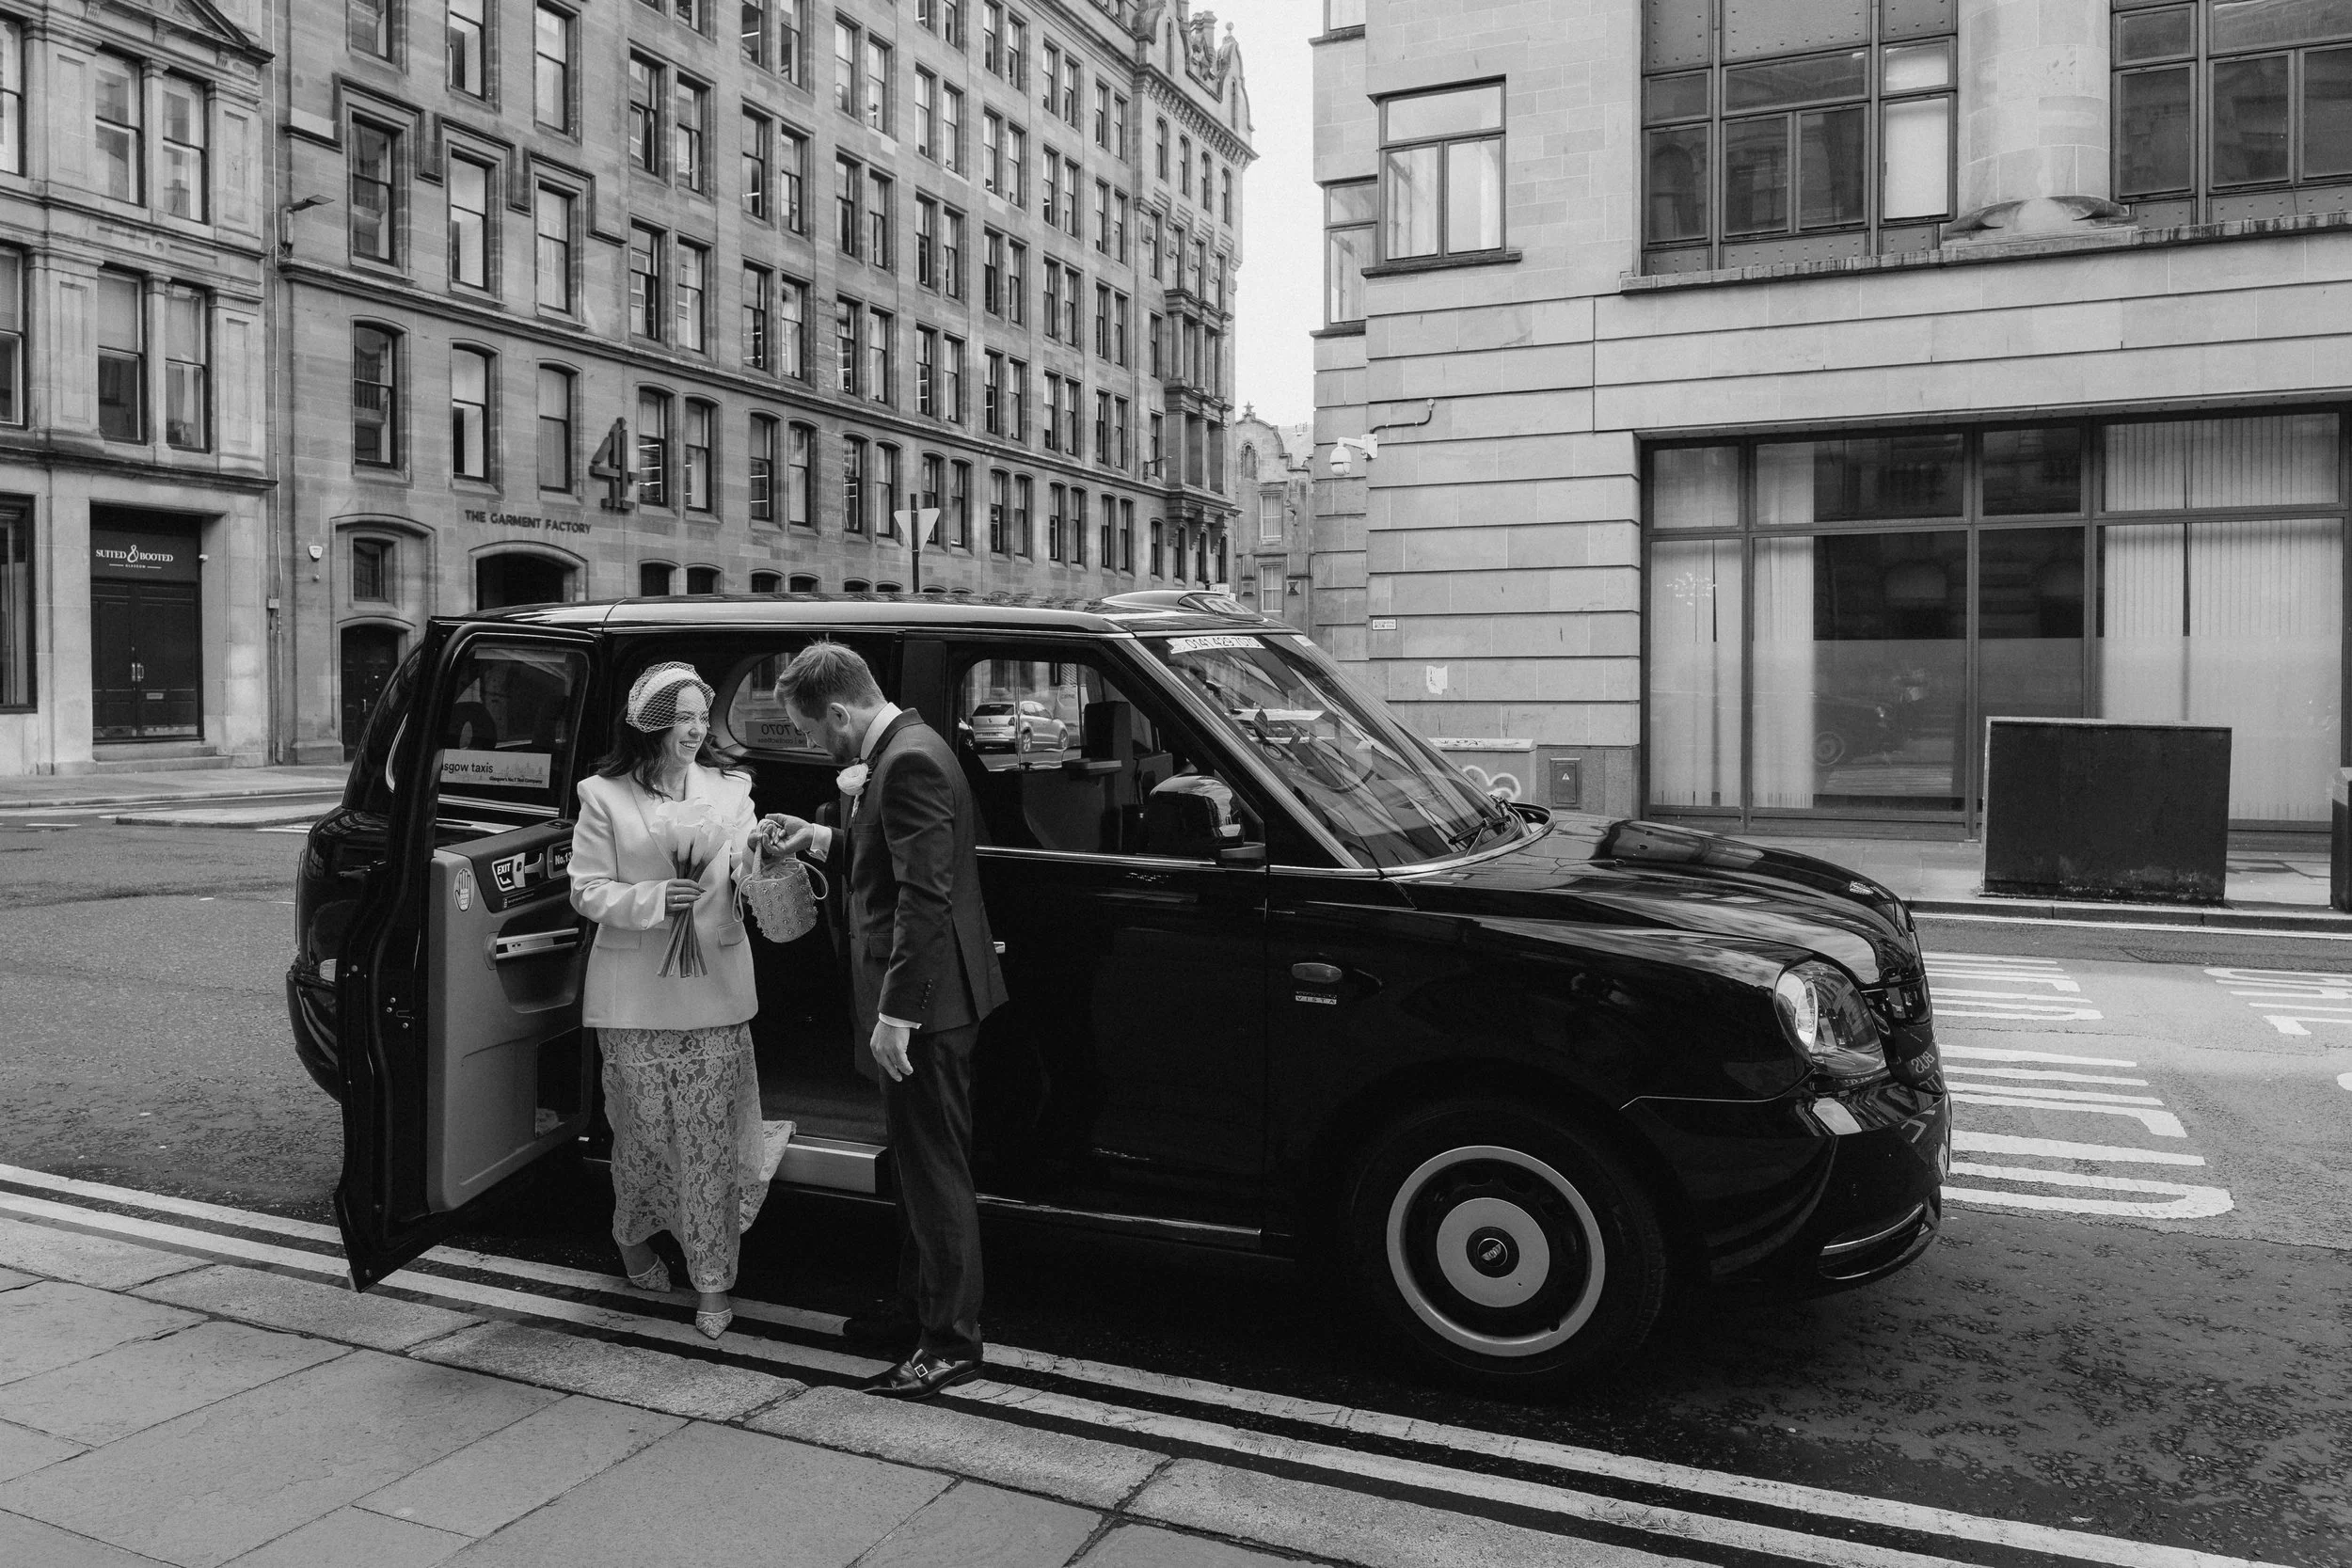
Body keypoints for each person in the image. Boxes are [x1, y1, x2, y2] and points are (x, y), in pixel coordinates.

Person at [761, 641, 1007, 1400]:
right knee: (912, 1168)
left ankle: (950, 1341)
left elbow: (924, 899)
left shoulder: (909, 761)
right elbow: (886, 856)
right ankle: (916, 1310)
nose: (812, 745)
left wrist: (898, 1015)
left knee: (933, 1174)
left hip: (926, 1009)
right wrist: (821, 837)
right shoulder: (901, 748)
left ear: (840, 711)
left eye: (810, 732)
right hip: (924, 1002)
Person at [571, 661, 775, 1340]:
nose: (694, 729)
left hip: (714, 989)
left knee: (710, 1141)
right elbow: (586, 888)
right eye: (680, 716)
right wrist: (656, 901)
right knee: (644, 1134)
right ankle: (632, 1235)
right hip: (634, 999)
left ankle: (714, 1279)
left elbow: (744, 862)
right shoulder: (602, 795)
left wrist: (761, 857)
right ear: (650, 724)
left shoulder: (730, 788)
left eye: (699, 716)